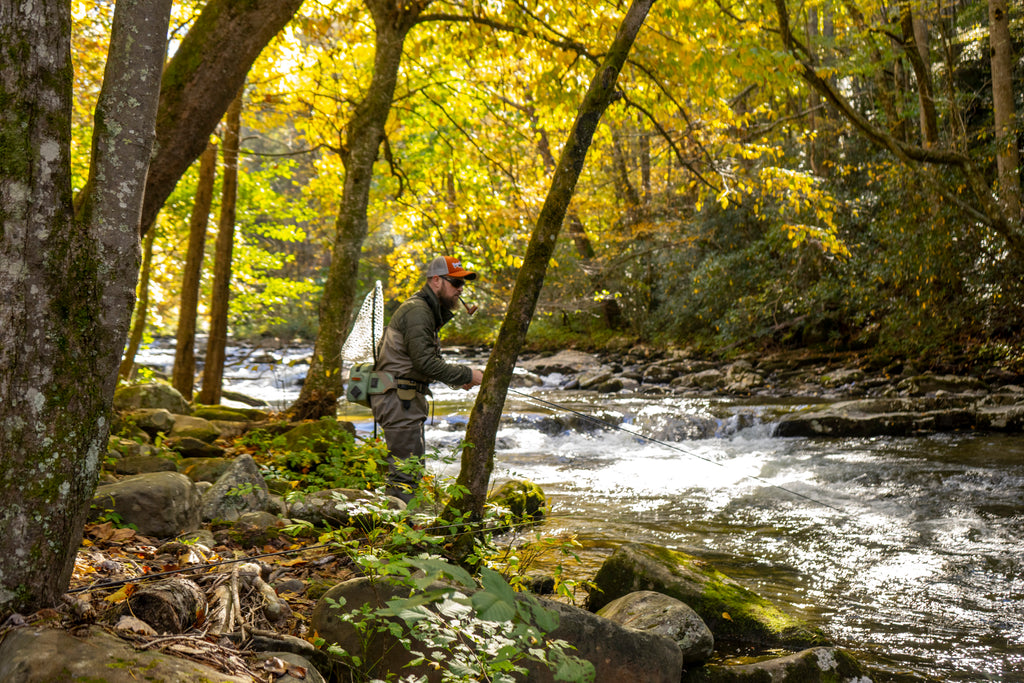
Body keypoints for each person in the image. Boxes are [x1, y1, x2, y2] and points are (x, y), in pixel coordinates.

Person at [371, 255, 484, 501]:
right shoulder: (418, 311)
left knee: (410, 470)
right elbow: (424, 362)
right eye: (455, 283)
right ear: (435, 281)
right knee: (405, 475)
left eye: (462, 284)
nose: (460, 289)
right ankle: (402, 531)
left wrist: (459, 380)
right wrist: (468, 374)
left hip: (404, 399)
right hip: (398, 399)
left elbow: (424, 362)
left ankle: (404, 527)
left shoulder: (426, 310)